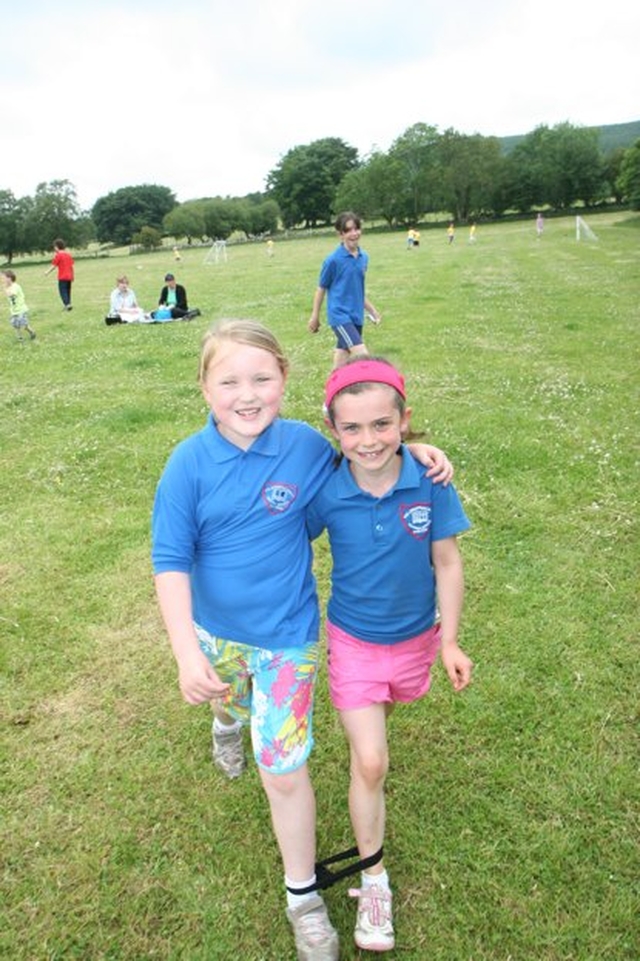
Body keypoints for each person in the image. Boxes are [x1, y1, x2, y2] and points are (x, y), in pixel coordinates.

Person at [151, 320, 453, 961]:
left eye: (262, 378)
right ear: (204, 387)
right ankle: (224, 722)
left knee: (282, 769)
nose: (248, 394)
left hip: (290, 639)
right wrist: (185, 652)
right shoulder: (186, 466)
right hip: (215, 637)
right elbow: (170, 562)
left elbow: (368, 454)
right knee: (227, 701)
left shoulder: (307, 449)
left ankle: (304, 898)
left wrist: (424, 453)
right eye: (229, 380)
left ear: (285, 380)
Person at [306, 357, 473, 953]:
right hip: (353, 641)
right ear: (332, 429)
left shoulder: (429, 480)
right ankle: (373, 879)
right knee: (373, 762)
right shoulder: (326, 487)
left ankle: (364, 762)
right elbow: (279, 533)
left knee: (372, 746)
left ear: (404, 420)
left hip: (416, 643)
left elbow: (447, 562)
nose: (368, 440)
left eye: (382, 425)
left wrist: (448, 640)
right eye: (352, 429)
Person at [308, 212, 381, 369]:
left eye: (356, 229)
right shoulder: (333, 260)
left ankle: (332, 390)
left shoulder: (363, 257)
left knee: (341, 362)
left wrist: (373, 310)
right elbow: (321, 288)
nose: (354, 234)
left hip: (356, 316)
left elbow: (357, 290)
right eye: (348, 230)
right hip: (340, 315)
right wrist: (315, 316)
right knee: (363, 356)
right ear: (340, 234)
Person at [1, 269, 37, 342]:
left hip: (21, 310)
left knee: (24, 325)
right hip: (14, 310)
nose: (3, 280)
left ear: (9, 278)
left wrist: (4, 288)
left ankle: (32, 332)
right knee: (15, 325)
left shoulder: (16, 286)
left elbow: (11, 294)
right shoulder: (9, 287)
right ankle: (20, 338)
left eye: (4, 278)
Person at [44, 238, 74, 310]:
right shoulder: (68, 255)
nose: (54, 249)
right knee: (67, 291)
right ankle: (68, 304)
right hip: (69, 276)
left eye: (54, 247)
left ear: (57, 246)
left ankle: (67, 304)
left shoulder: (58, 255)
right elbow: (71, 266)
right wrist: (72, 276)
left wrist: (47, 272)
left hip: (62, 277)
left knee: (62, 291)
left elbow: (54, 266)